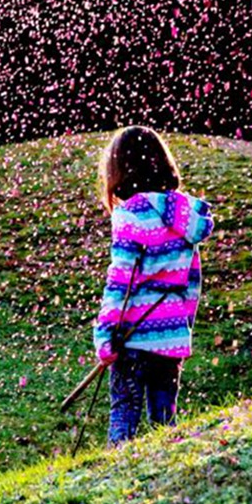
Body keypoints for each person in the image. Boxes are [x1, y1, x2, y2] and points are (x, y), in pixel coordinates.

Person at [94, 126, 215, 445]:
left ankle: (115, 478)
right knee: (165, 417)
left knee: (124, 413)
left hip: (133, 339)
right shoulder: (185, 216)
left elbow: (120, 281)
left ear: (118, 169)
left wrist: (105, 334)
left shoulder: (130, 215)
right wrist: (183, 323)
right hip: (171, 334)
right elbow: (192, 281)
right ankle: (169, 467)